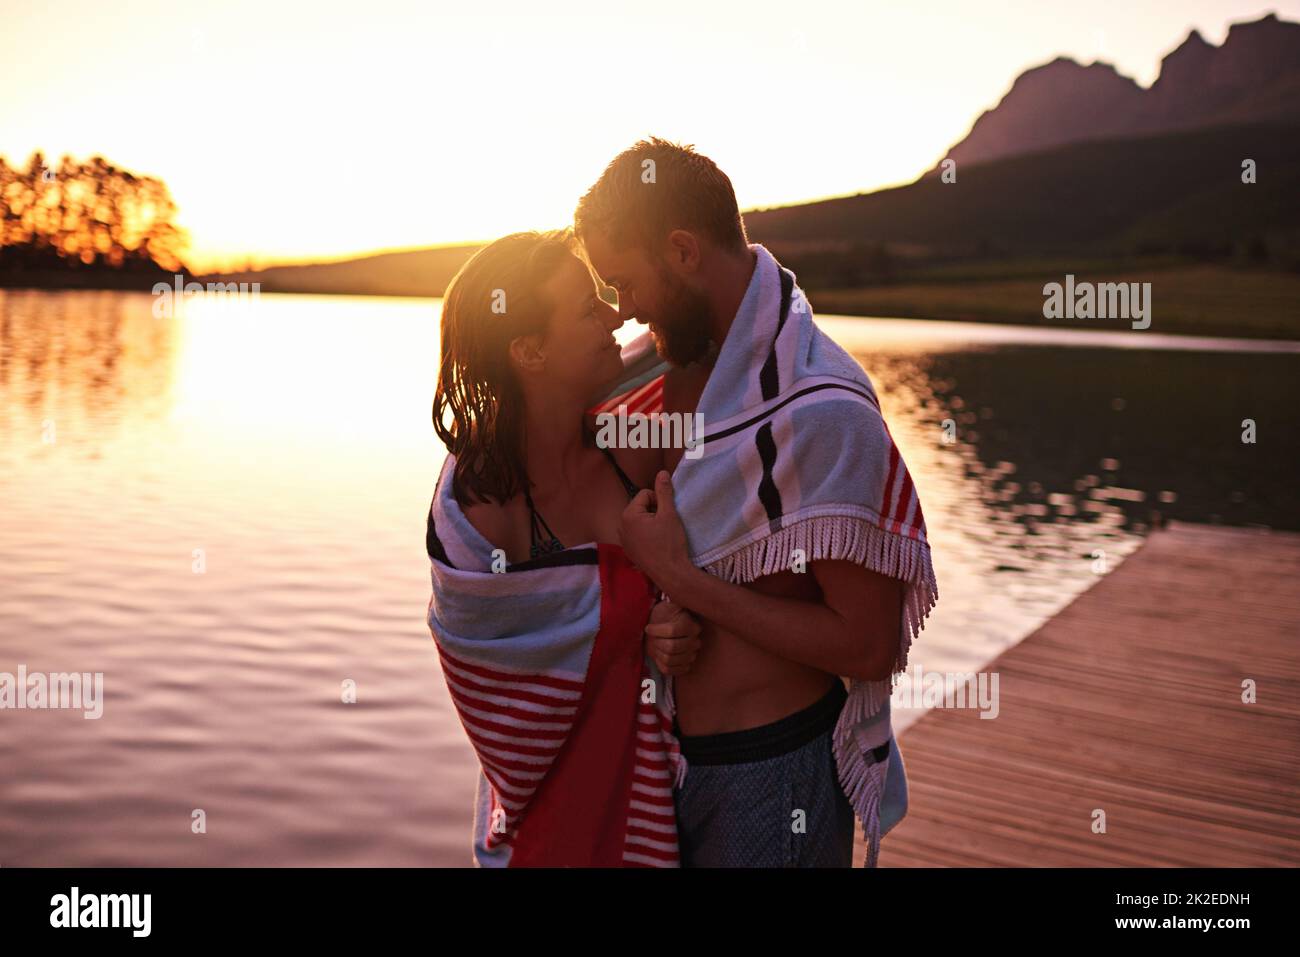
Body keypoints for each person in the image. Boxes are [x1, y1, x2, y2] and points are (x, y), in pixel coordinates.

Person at [574, 139, 939, 867]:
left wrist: (683, 582)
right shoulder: (664, 374)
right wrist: (657, 621)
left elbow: (870, 644)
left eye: (623, 283)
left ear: (680, 250)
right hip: (669, 771)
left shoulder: (824, 411)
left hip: (772, 780)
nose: (623, 311)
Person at [425, 230, 702, 867]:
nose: (615, 316)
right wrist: (637, 628)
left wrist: (673, 612)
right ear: (530, 351)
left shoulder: (631, 444)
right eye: (587, 309)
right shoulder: (482, 510)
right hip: (551, 833)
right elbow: (506, 694)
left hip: (658, 806)